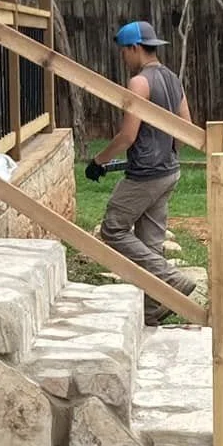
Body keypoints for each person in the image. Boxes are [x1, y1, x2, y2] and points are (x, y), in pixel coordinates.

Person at [86, 21, 199, 322]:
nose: (123, 58)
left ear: (135, 48)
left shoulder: (139, 82)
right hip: (168, 170)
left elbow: (127, 136)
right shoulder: (173, 79)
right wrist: (166, 154)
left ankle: (171, 280)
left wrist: (98, 161)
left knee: (113, 228)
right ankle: (153, 309)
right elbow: (185, 128)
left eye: (124, 51)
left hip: (146, 175)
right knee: (150, 243)